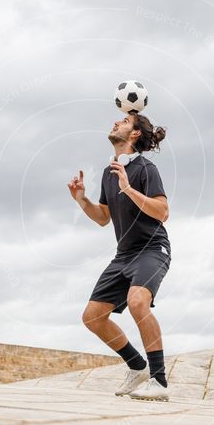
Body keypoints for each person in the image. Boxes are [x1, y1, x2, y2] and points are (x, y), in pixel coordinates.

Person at [67, 111, 172, 401]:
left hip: (152, 249)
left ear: (135, 134)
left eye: (124, 121)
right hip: (124, 255)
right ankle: (136, 365)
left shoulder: (145, 170)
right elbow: (103, 218)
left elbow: (163, 212)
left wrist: (129, 189)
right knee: (92, 317)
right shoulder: (110, 172)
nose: (115, 122)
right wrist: (82, 200)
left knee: (139, 302)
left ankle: (159, 381)